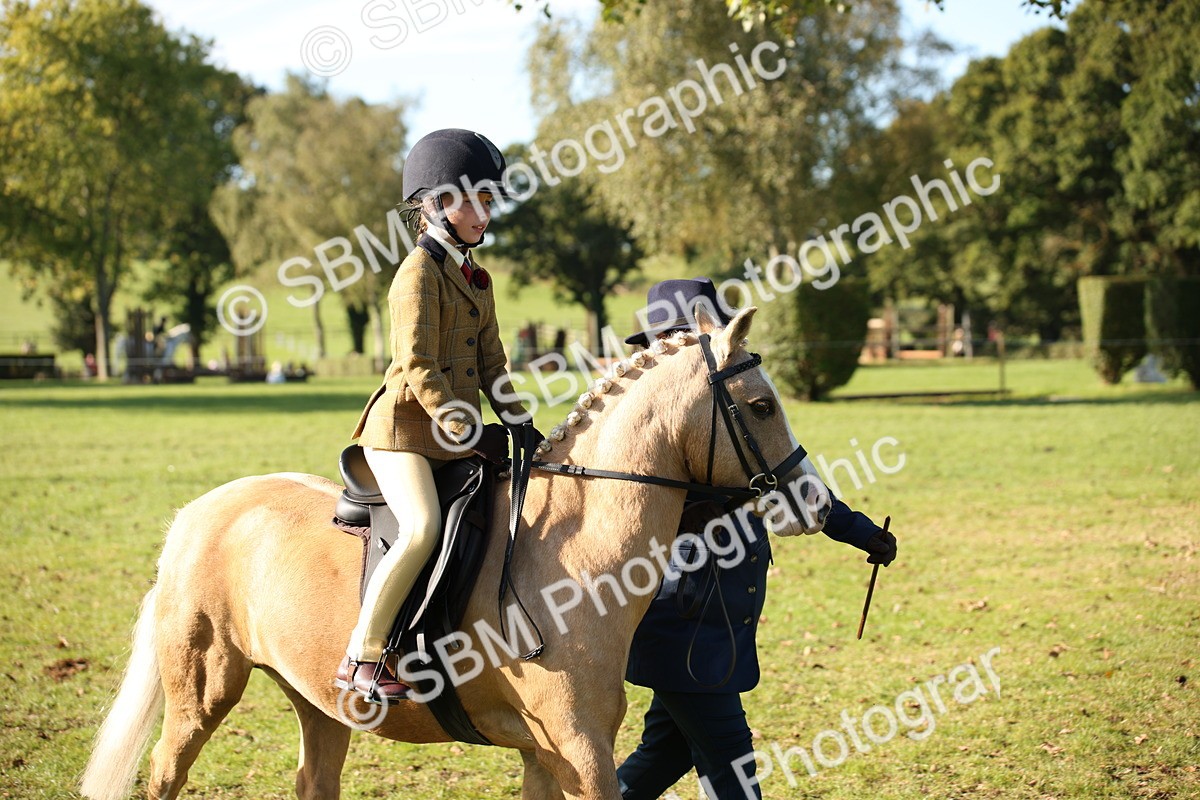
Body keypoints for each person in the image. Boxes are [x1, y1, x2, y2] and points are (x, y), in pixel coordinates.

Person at [616, 278, 898, 799]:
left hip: (714, 626)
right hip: (685, 631)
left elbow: (788, 479)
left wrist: (862, 533)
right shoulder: (650, 435)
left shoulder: (721, 420)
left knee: (664, 753)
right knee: (732, 773)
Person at [338, 129, 535, 703]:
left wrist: (518, 420)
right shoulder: (417, 274)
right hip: (401, 434)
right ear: (434, 206)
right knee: (423, 527)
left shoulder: (478, 277)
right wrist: (465, 427)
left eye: (490, 200)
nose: (485, 213)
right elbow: (419, 367)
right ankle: (364, 656)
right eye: (473, 200)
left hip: (450, 434)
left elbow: (493, 358)